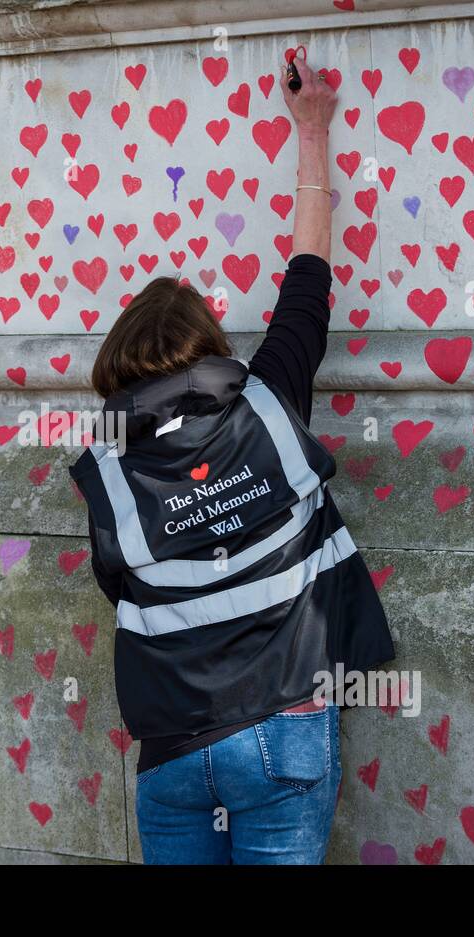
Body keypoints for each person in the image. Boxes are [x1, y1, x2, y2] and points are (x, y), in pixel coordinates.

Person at [69, 52, 395, 864]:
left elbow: (119, 583)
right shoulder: (269, 396)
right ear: (207, 349)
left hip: (172, 753)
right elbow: (308, 280)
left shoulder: (106, 466)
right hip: (282, 730)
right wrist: (311, 130)